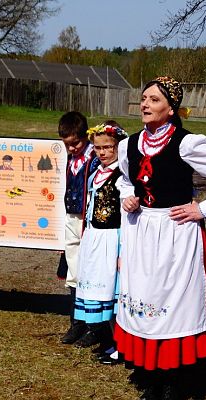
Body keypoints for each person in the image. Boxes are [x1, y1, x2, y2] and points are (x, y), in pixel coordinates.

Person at [115, 77, 206, 400]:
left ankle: (172, 380)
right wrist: (128, 196)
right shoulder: (128, 145)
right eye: (143, 98)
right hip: (140, 231)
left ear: (171, 109)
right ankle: (152, 374)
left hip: (174, 232)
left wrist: (202, 208)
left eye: (154, 100)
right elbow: (125, 180)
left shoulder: (187, 143)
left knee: (170, 304)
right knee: (145, 300)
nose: (145, 104)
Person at [74, 121, 128, 360]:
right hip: (94, 237)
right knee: (98, 292)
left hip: (112, 238)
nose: (103, 152)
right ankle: (111, 340)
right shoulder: (96, 173)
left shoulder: (123, 175)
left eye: (108, 147)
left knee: (113, 295)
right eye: (97, 148)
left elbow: (128, 215)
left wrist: (123, 250)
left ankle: (122, 346)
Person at [58, 111, 100, 345]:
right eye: (67, 145)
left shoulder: (95, 158)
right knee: (73, 272)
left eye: (76, 143)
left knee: (90, 272)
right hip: (71, 219)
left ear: (86, 137)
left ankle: (94, 326)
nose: (72, 148)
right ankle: (76, 322)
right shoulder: (69, 160)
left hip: (89, 221)